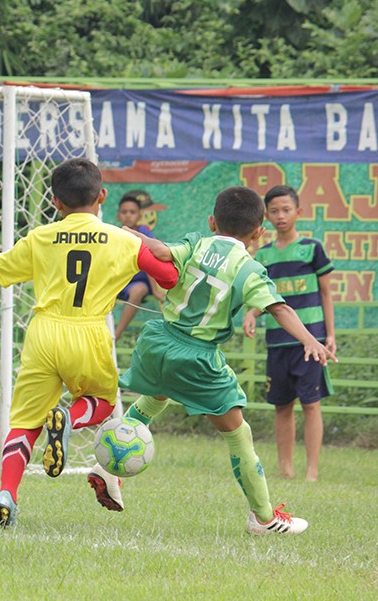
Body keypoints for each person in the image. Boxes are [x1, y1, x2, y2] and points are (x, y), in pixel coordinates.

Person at [0, 159, 179, 528]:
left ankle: (6, 494)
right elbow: (169, 277)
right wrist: (147, 245)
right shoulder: (123, 239)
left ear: (55, 201)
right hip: (89, 333)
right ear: (102, 195)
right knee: (103, 402)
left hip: (44, 334)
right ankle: (70, 417)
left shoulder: (41, 237)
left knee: (25, 421)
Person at [103, 186, 333, 535]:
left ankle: (106, 467)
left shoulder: (198, 243)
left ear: (212, 222)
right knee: (239, 434)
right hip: (197, 358)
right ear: (259, 232)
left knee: (157, 395)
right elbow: (279, 309)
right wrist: (310, 339)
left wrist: (124, 232)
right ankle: (264, 518)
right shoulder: (249, 268)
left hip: (158, 341)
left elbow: (160, 250)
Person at [242, 185, 336, 482]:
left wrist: (330, 335)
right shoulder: (264, 255)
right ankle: (285, 468)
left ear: (298, 212)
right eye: (274, 211)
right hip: (277, 342)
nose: (280, 216)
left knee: (311, 404)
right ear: (266, 217)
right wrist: (251, 313)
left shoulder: (312, 248)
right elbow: (266, 298)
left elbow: (326, 294)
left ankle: (312, 471)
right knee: (282, 405)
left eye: (286, 210)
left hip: (311, 342)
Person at [113, 192, 165, 340]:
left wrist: (155, 291)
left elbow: (151, 260)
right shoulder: (114, 234)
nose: (128, 215)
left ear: (139, 215)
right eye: (124, 212)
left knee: (139, 290)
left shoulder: (143, 232)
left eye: (132, 212)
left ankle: (115, 336)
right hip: (118, 282)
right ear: (118, 215)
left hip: (136, 283)